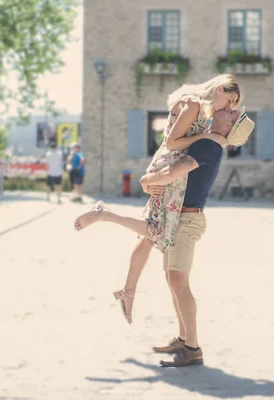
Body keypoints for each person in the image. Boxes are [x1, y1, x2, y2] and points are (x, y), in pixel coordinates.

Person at [74, 106, 254, 367]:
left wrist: (147, 179)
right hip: (178, 216)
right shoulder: (206, 140)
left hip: (186, 220)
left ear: (229, 126)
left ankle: (193, 348)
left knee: (179, 281)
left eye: (232, 114)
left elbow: (172, 173)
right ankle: (183, 339)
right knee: (172, 278)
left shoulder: (210, 146)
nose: (229, 109)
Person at [76, 75, 240, 325]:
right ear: (219, 89)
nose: (228, 107)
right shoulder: (193, 104)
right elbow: (172, 141)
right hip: (169, 167)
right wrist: (205, 138)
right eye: (229, 100)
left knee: (148, 238)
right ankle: (103, 214)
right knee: (157, 230)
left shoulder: (200, 110)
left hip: (173, 168)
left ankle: (128, 291)